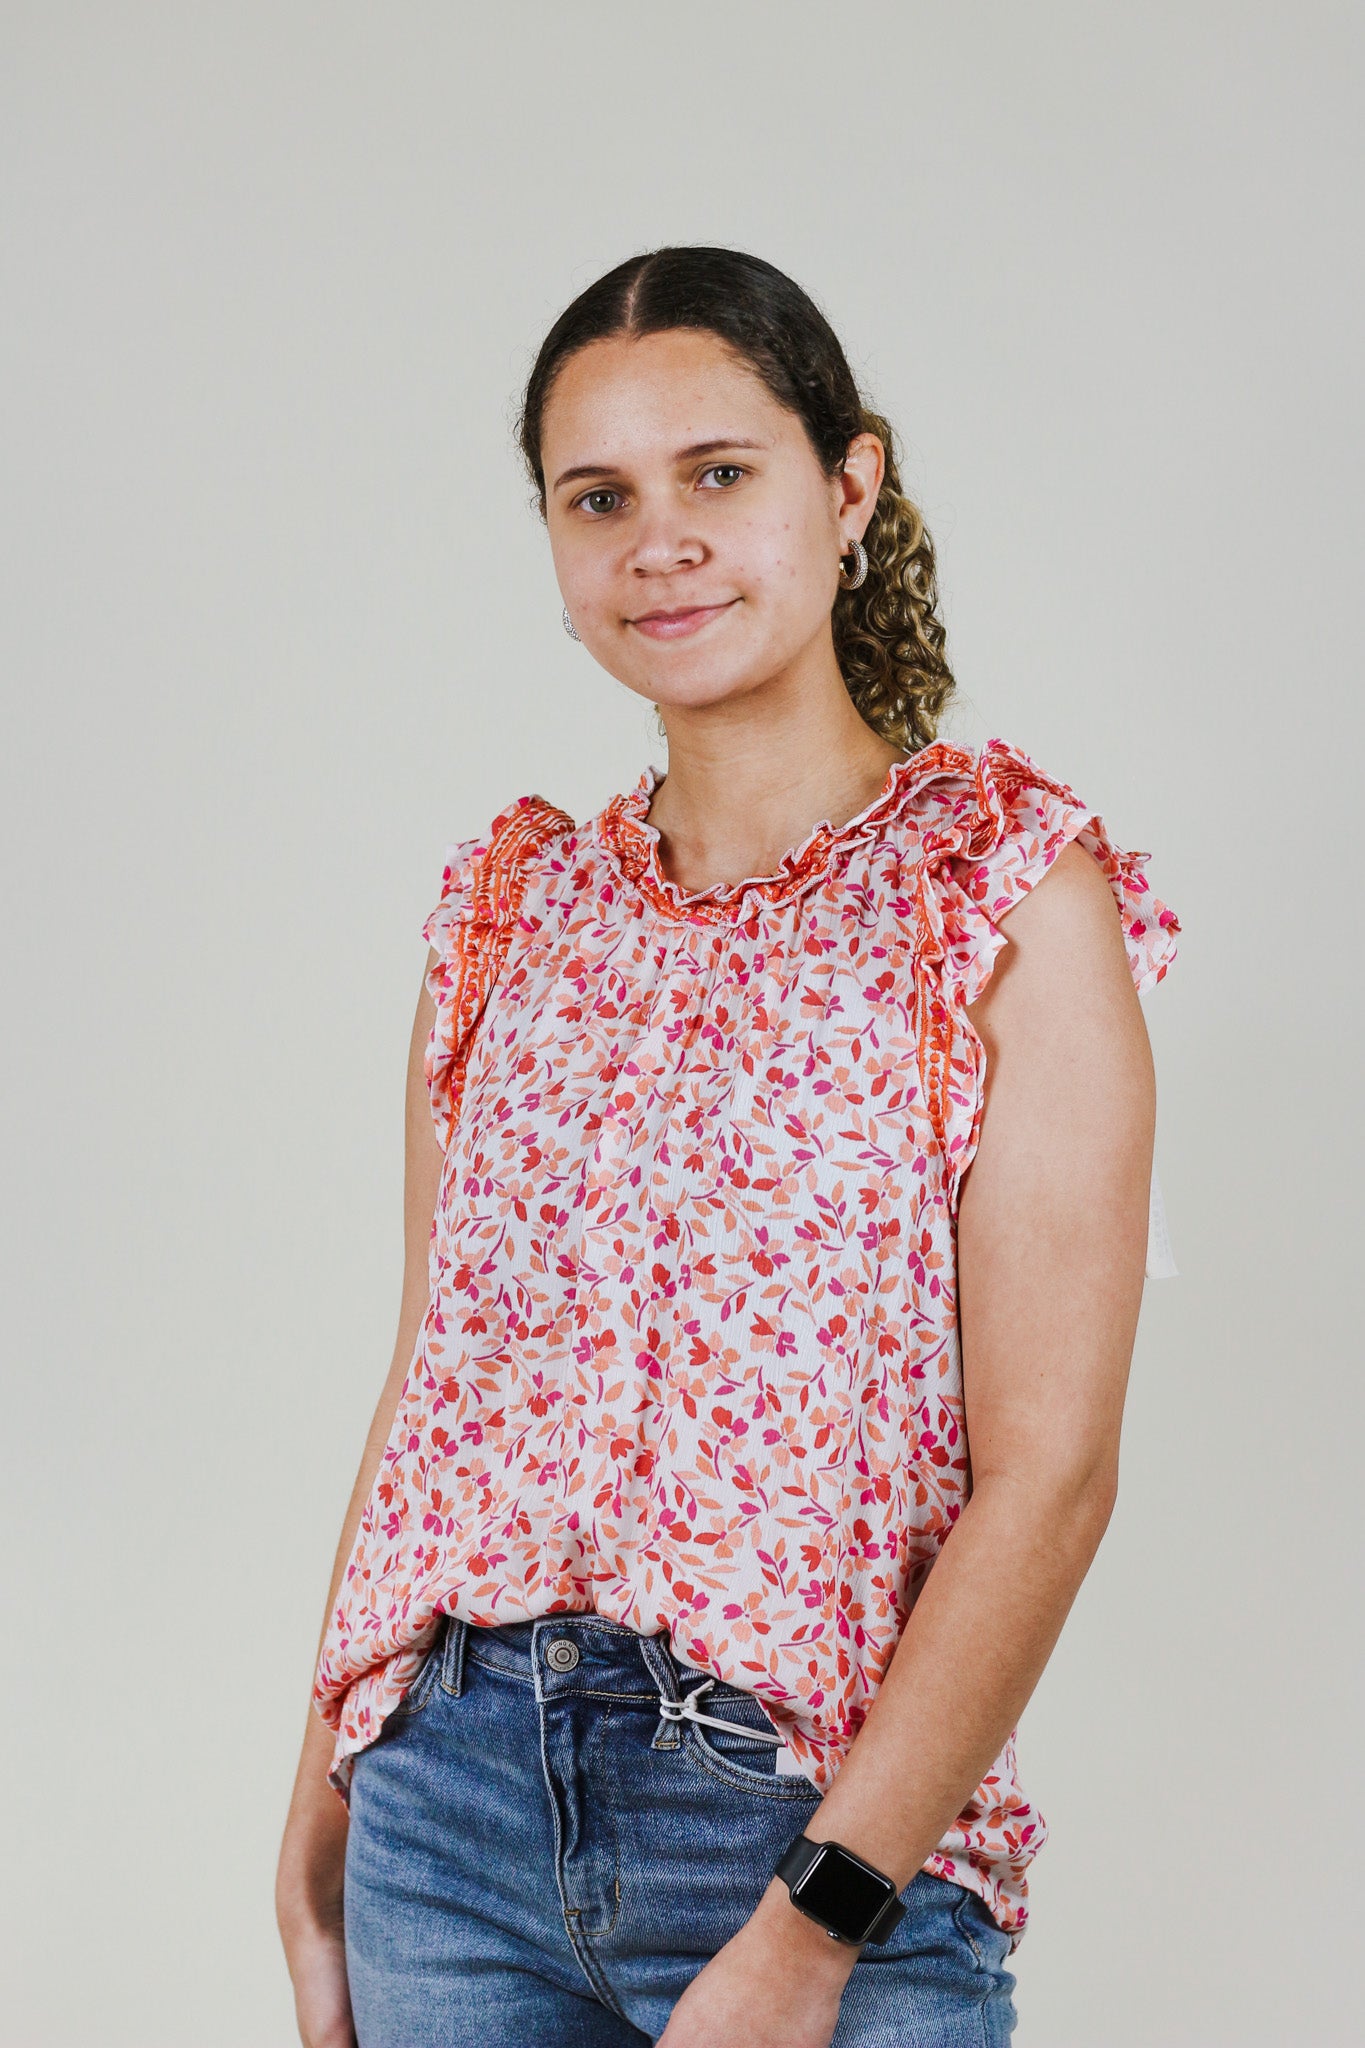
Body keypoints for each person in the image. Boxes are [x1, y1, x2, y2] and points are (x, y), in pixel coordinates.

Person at [276, 245, 1180, 2048]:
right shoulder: (508, 911)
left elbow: (1048, 1481)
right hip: (444, 1823)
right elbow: (431, 1391)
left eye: (719, 474)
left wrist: (812, 1931)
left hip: (806, 1824)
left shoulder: (995, 898)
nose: (657, 540)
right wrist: (317, 1807)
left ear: (846, 487)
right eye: (595, 497)